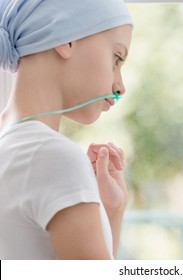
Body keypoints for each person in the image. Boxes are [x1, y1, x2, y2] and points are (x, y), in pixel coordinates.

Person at [0, 0, 133, 259]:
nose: (120, 87)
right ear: (65, 38)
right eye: (116, 58)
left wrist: (110, 212)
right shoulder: (52, 156)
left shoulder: (10, 144)